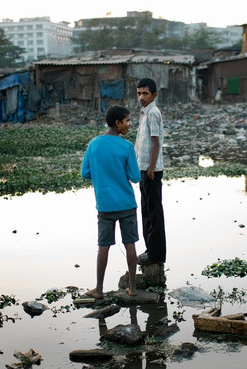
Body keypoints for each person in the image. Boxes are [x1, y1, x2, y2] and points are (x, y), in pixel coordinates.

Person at [81, 105, 141, 299]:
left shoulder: (94, 144)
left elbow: (85, 173)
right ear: (118, 123)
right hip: (126, 204)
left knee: (103, 247)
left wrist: (103, 174)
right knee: (130, 244)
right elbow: (135, 177)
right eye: (128, 121)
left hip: (105, 205)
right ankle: (132, 288)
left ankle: (98, 289)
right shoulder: (126, 147)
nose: (130, 125)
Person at [135, 78, 167, 266]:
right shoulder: (144, 114)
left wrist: (151, 168)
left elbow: (155, 142)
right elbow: (141, 143)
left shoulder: (153, 113)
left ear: (154, 95)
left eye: (145, 93)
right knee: (147, 211)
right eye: (139, 93)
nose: (141, 97)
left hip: (151, 170)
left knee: (154, 213)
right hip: (144, 168)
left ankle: (156, 255)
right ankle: (150, 250)